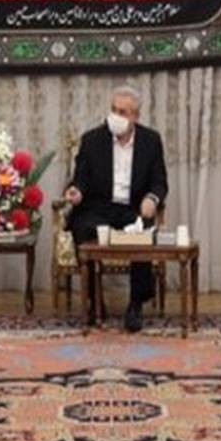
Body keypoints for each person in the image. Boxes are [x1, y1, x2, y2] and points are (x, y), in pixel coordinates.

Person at [65, 86, 168, 333]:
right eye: (114, 110)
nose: (116, 116)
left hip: (132, 207)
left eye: (123, 112)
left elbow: (159, 181)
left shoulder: (150, 141)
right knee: (82, 227)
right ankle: (93, 301)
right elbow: (80, 179)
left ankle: (135, 304)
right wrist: (76, 192)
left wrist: (152, 199)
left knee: (142, 231)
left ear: (135, 116)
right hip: (98, 207)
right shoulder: (92, 139)